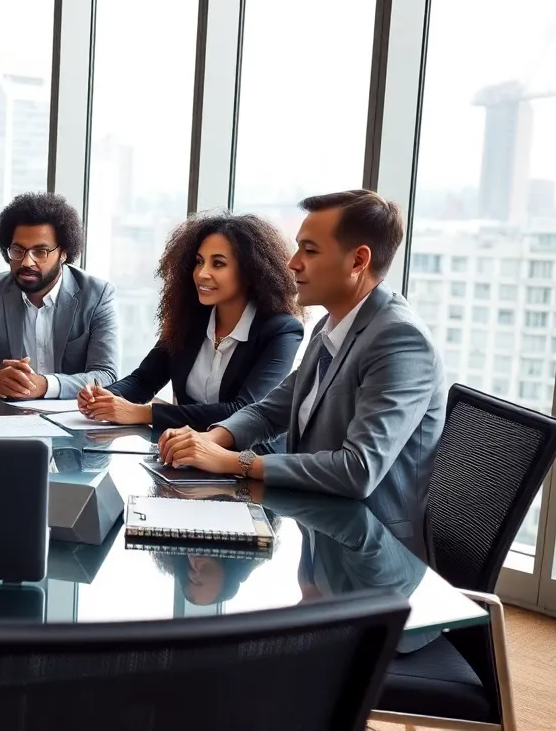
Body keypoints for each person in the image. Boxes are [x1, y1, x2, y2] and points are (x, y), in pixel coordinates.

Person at [158, 190, 446, 559]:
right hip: (319, 534)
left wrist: (233, 462)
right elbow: (271, 409)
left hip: (374, 555)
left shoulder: (400, 340)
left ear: (358, 260)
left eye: (309, 251)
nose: (293, 264)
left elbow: (357, 470)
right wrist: (213, 438)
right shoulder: (331, 324)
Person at [78, 211, 303, 438]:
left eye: (218, 264)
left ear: (250, 271)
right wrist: (104, 397)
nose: (202, 273)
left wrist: (143, 413)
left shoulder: (281, 330)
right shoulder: (189, 320)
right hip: (183, 454)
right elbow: (144, 380)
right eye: (198, 262)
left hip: (247, 460)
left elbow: (243, 410)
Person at [0, 192, 119, 400]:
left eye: (40, 252)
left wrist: (45, 385)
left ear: (64, 253)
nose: (26, 262)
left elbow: (107, 375)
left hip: (74, 419)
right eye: (18, 250)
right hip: (5, 418)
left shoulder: (97, 295)